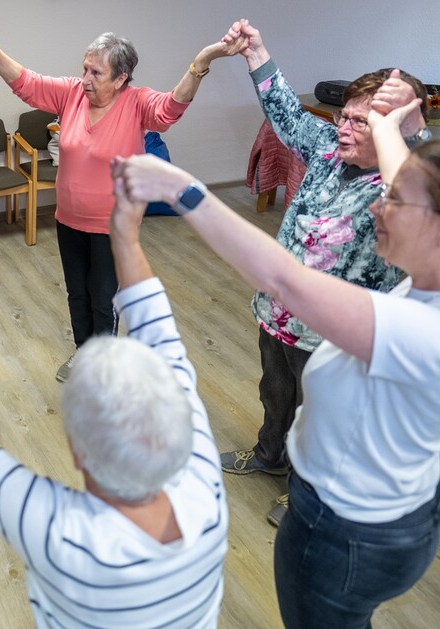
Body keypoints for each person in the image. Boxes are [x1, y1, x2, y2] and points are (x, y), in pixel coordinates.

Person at [114, 84, 440, 627]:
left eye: (398, 199)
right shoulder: (425, 286)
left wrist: (181, 190)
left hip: (342, 536)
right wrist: (398, 114)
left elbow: (280, 277)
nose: (381, 202)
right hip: (385, 520)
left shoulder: (416, 328)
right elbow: (398, 154)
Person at [0, 170, 228, 626]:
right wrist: (127, 239)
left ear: (77, 452)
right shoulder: (204, 484)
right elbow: (164, 338)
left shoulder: (62, 536)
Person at [213, 19, 428, 527]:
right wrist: (257, 53)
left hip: (334, 337)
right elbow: (285, 111)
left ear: (391, 133)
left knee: (322, 417)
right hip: (280, 315)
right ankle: (269, 456)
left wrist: (413, 132)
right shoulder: (330, 152)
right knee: (276, 393)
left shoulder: (399, 188)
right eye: (344, 117)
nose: (343, 128)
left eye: (361, 122)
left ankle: (309, 491)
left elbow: (422, 189)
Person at [0, 32, 243, 382]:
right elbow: (27, 83)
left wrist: (203, 61)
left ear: (120, 79)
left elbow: (171, 108)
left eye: (96, 73)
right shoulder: (71, 93)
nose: (86, 78)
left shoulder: (136, 103)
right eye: (85, 69)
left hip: (112, 225)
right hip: (68, 218)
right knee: (77, 293)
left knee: (103, 297)